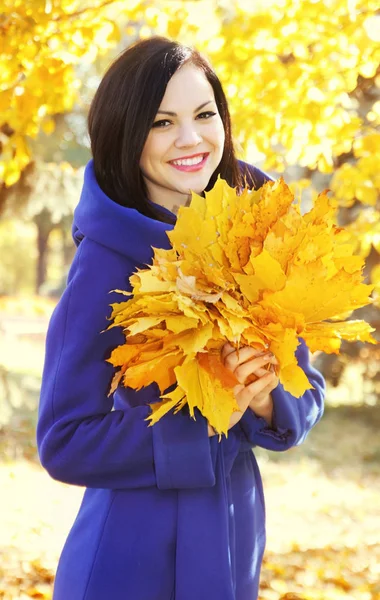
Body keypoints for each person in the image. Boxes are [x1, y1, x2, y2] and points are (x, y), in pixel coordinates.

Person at [37, 36, 325, 600]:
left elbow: (306, 390)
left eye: (204, 114)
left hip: (232, 542)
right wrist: (204, 420)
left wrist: (267, 398)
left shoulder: (259, 241)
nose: (191, 139)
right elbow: (63, 439)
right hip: (130, 557)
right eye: (162, 122)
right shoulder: (106, 262)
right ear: (127, 132)